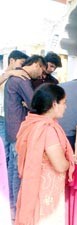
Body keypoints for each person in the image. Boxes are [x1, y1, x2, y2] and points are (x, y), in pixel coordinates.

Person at [15, 83, 75, 225]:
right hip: (45, 192)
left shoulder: (31, 123)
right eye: (64, 103)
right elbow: (60, 165)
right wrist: (70, 161)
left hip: (34, 186)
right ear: (54, 104)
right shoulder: (47, 129)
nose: (65, 107)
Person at [4, 55, 47, 221]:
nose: (42, 75)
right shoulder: (22, 79)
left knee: (12, 169)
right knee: (17, 171)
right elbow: (34, 103)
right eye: (42, 70)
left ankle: (12, 207)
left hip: (11, 130)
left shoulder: (14, 78)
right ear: (36, 64)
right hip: (18, 132)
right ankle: (17, 210)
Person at [0, 50, 29, 166]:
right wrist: (9, 74)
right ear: (12, 60)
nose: (22, 67)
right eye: (21, 63)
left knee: (10, 153)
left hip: (11, 118)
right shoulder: (5, 74)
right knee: (4, 151)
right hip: (2, 118)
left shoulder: (19, 77)